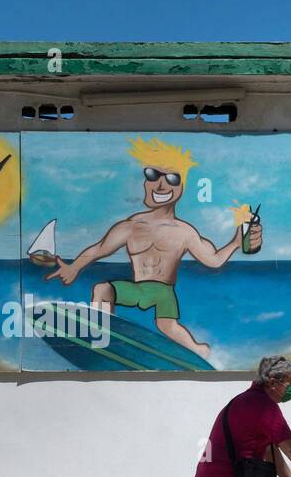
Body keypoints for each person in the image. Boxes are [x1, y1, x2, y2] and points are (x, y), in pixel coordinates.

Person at [45, 137, 260, 359]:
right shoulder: (131, 226)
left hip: (163, 291)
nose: (161, 184)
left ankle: (199, 351)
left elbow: (213, 260)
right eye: (152, 175)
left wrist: (235, 243)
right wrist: (74, 267)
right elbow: (99, 249)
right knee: (103, 290)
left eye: (172, 178)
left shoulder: (185, 231)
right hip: (138, 289)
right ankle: (103, 337)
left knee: (167, 326)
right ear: (145, 182)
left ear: (182, 187)